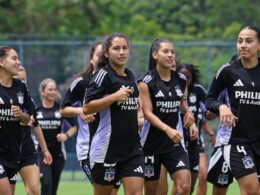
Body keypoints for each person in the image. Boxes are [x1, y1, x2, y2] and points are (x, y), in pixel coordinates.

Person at [83, 32, 144, 195]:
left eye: (125, 48)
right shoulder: (103, 75)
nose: (122, 52)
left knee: (137, 193)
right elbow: (87, 107)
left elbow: (135, 105)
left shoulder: (130, 75)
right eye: (116, 48)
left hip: (132, 149)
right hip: (106, 149)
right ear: (107, 53)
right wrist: (114, 97)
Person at [206, 25, 260, 195]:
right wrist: (221, 107)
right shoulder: (228, 71)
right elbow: (209, 99)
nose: (243, 45)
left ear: (259, 45)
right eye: (240, 41)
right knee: (251, 189)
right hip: (236, 140)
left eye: (249, 41)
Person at [138, 38, 195, 195]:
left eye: (173, 52)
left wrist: (188, 113)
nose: (170, 55)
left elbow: (182, 103)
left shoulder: (181, 80)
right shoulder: (146, 82)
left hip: (174, 143)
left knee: (184, 186)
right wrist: (167, 129)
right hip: (150, 144)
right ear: (155, 54)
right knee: (151, 191)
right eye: (166, 51)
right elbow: (148, 113)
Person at [0, 46, 34, 195]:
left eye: (18, 58)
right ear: (1, 62)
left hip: (12, 153)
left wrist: (21, 115)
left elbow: (28, 119)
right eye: (14, 58)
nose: (18, 62)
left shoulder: (21, 87)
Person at [14, 65, 52, 195]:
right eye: (19, 78)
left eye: (24, 79)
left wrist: (45, 150)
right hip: (6, 151)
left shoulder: (28, 100)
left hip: (27, 150)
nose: (22, 82)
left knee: (34, 190)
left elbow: (36, 125)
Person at [36, 78, 77, 195]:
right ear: (42, 91)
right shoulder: (36, 110)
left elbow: (74, 127)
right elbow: (30, 127)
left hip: (58, 153)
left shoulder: (61, 109)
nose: (53, 92)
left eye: (54, 89)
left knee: (53, 187)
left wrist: (66, 135)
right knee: (46, 183)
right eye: (50, 89)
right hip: (41, 153)